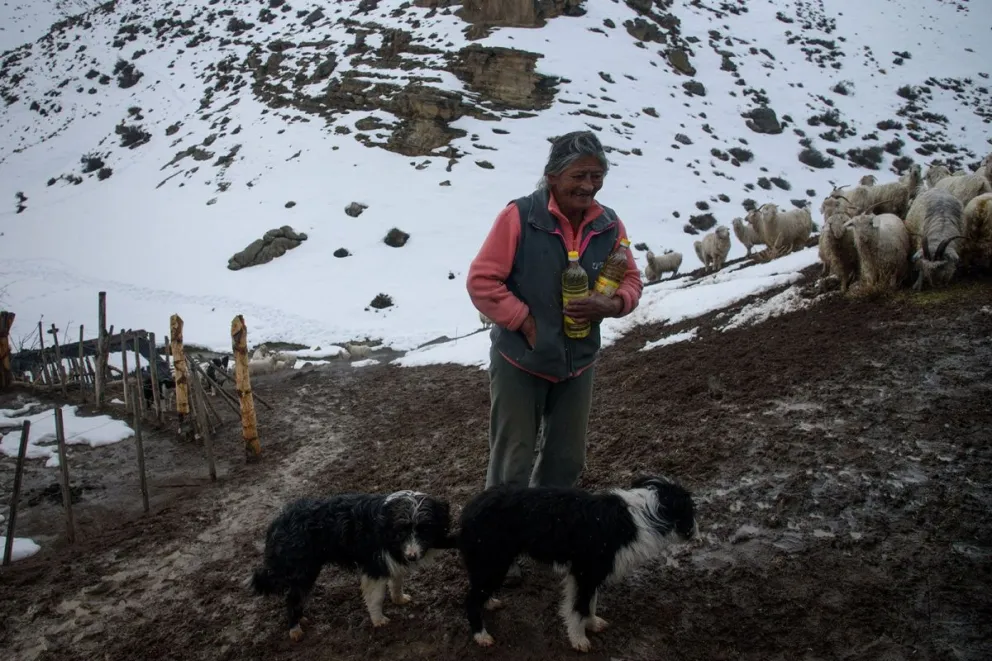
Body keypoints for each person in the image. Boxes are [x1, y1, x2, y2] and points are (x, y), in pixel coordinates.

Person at [466, 130, 644, 580]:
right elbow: (483, 282)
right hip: (520, 362)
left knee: (566, 459)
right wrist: (524, 321)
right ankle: (495, 545)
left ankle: (546, 536)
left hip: (578, 362)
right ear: (552, 176)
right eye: (579, 175)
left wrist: (614, 303)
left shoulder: (609, 224)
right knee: (513, 461)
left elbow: (631, 280)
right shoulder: (520, 216)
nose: (588, 186)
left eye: (597, 176)